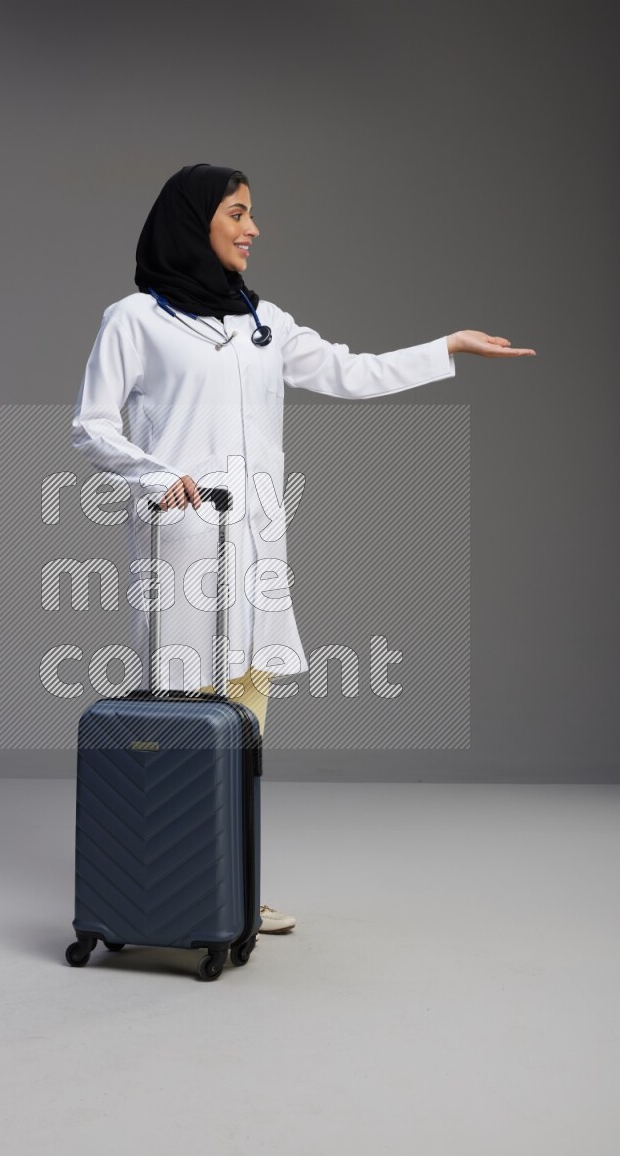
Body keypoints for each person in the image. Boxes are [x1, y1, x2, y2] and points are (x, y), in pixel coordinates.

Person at [71, 163, 536, 934]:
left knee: (246, 719)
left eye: (253, 215)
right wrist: (157, 476)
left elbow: (350, 372)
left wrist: (444, 347)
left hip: (255, 545)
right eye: (238, 213)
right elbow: (92, 425)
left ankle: (230, 886)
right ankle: (171, 889)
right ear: (194, 221)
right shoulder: (135, 319)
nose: (253, 229)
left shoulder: (264, 323)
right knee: (184, 712)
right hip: (184, 541)